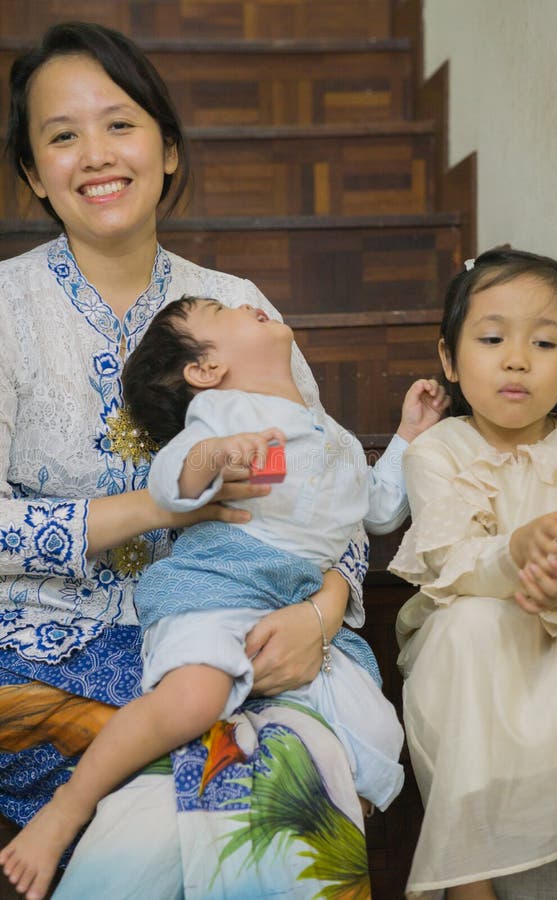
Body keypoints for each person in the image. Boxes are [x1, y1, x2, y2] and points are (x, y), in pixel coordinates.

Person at [0, 20, 438, 900]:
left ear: (166, 147)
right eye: (62, 135)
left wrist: (321, 613)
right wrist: (159, 510)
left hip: (243, 635)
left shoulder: (238, 308)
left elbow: (327, 495)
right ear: (32, 175)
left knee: (276, 772)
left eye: (119, 124)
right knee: (191, 807)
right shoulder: (5, 310)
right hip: (45, 655)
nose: (95, 154)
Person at [0, 292, 448, 897]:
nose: (245, 302)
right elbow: (171, 478)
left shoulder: (332, 435)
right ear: (205, 371)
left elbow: (375, 509)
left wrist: (409, 437)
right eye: (222, 309)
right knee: (194, 701)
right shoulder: (223, 414)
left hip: (290, 602)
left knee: (368, 728)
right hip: (217, 586)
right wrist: (214, 455)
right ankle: (68, 809)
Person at [389, 247, 557, 900]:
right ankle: (468, 877)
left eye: (542, 342)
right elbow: (448, 560)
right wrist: (514, 555)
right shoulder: (437, 451)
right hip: (473, 645)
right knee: (470, 625)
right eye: (490, 338)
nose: (515, 359)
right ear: (449, 360)